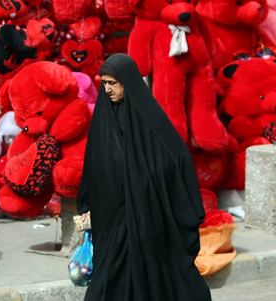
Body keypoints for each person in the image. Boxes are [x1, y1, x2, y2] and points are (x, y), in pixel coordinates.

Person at [77, 53, 211, 301]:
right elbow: (93, 166)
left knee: (151, 276)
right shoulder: (103, 120)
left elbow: (176, 158)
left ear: (127, 82)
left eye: (113, 83)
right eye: (104, 83)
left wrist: (145, 179)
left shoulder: (150, 119)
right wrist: (86, 204)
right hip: (111, 217)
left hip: (147, 216)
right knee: (109, 279)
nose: (107, 90)